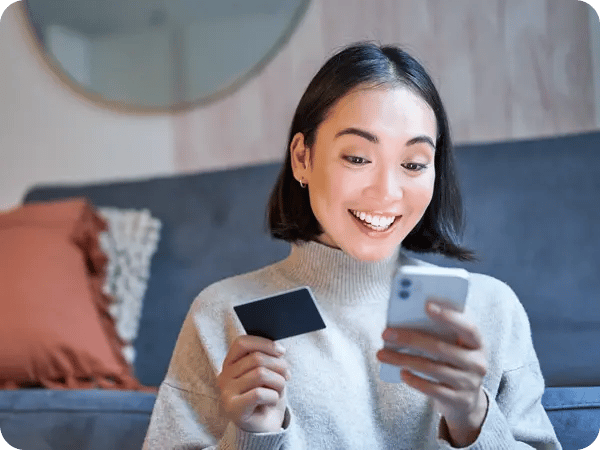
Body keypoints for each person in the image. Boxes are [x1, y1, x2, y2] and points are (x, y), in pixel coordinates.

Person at [143, 42, 562, 449]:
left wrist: (473, 419)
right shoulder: (221, 313)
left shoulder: (492, 310)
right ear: (302, 158)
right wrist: (252, 438)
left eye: (414, 164)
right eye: (358, 158)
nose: (386, 191)